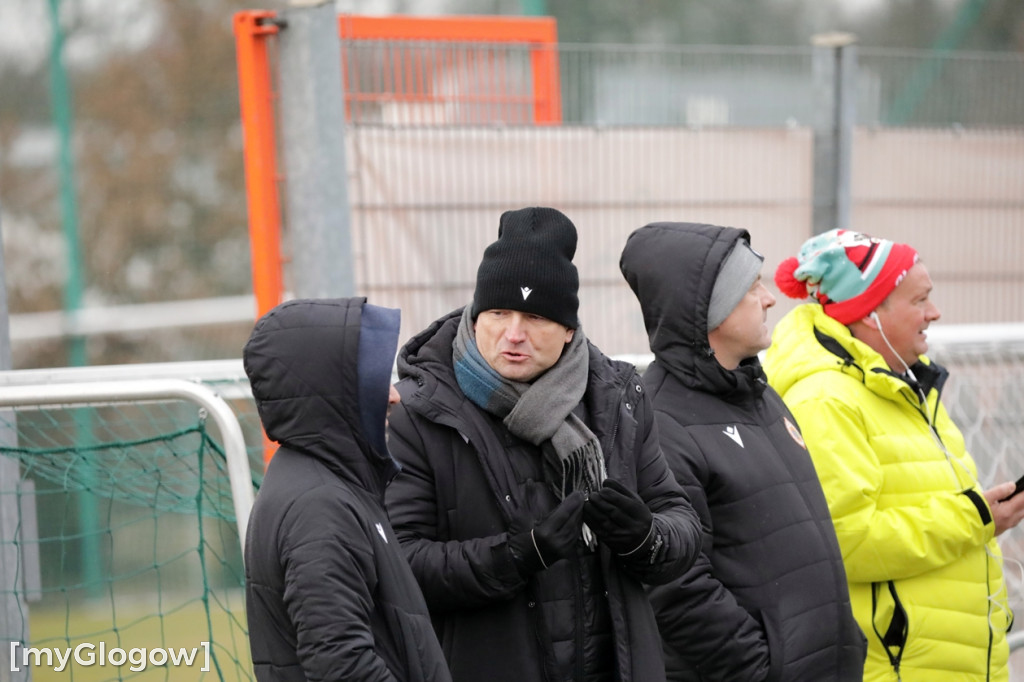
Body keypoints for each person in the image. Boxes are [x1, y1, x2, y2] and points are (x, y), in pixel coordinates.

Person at [384, 206, 703, 682]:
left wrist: (644, 537)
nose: (513, 335)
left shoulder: (619, 400)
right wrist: (516, 556)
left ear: (568, 328)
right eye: (498, 313)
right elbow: (399, 565)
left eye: (534, 317)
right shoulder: (421, 414)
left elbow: (681, 524)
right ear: (475, 318)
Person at [764, 228, 1024, 681]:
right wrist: (975, 518)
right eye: (920, 300)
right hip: (902, 666)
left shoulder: (905, 386)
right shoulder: (828, 400)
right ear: (870, 311)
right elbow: (850, 541)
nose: (935, 313)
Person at [619, 222, 866, 681]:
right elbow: (675, 583)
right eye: (753, 288)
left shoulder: (758, 394)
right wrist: (762, 669)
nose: (770, 298)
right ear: (707, 310)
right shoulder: (661, 422)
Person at [242, 297, 452, 682]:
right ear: (331, 392)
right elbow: (342, 665)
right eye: (373, 378)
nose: (393, 395)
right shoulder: (319, 506)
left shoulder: (328, 485)